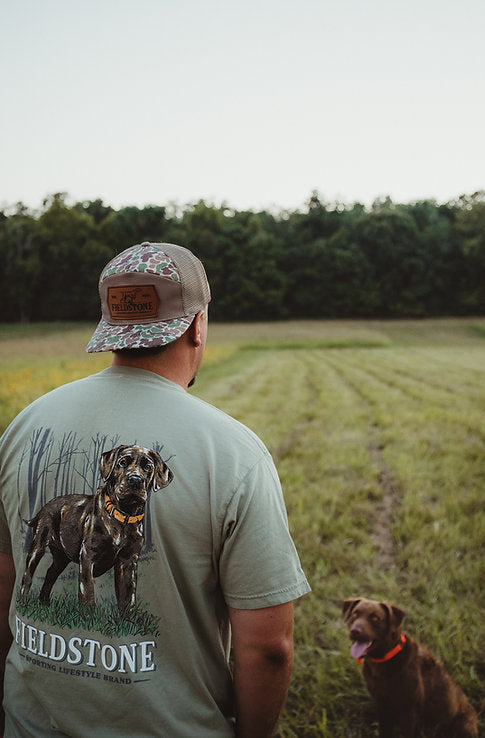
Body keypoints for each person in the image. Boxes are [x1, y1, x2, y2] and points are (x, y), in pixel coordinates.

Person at [0, 242, 310, 738]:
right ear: (197, 325)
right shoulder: (235, 453)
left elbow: (4, 585)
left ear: (111, 324)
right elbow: (267, 647)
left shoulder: (22, 427)